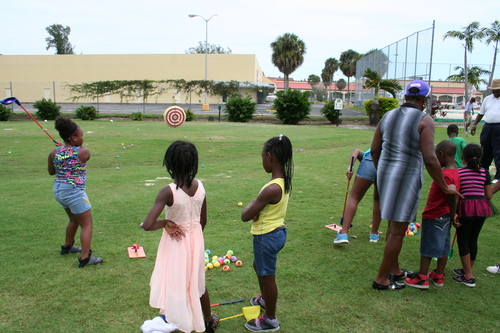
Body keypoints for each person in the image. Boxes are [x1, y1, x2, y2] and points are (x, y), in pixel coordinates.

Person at [370, 80, 460, 290]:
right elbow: (430, 158)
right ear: (425, 99)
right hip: (406, 176)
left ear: (406, 96)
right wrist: (445, 186)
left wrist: (382, 171)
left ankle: (395, 271)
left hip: (385, 174)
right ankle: (381, 279)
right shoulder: (424, 120)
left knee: (393, 225)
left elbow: (375, 150)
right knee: (397, 231)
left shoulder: (387, 116)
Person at [142, 141, 218, 333]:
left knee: (177, 280)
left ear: (170, 164)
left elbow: (148, 224)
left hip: (176, 242)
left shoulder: (168, 191)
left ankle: (179, 318)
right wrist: (194, 237)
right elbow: (203, 220)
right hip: (195, 239)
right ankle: (208, 321)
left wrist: (165, 223)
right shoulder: (200, 186)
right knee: (197, 281)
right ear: (193, 163)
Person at [241, 135, 293, 332]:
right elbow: (266, 209)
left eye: (262, 157)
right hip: (277, 232)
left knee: (267, 275)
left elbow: (245, 215)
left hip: (266, 236)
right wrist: (258, 209)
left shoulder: (270, 188)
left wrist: (252, 206)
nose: (262, 160)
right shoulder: (282, 181)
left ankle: (270, 319)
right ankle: (264, 299)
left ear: (270, 157)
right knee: (259, 266)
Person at [48, 118, 103, 268]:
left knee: (73, 220)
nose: (82, 139)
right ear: (73, 138)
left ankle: (67, 247)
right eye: (80, 136)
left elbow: (51, 171)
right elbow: (82, 155)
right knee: (87, 224)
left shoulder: (54, 153)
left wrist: (61, 150)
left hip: (59, 191)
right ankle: (85, 258)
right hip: (74, 192)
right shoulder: (83, 151)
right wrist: (66, 150)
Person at [404, 140, 459, 289]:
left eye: (436, 156)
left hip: (434, 215)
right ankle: (438, 275)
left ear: (442, 155)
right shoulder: (455, 172)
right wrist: (453, 215)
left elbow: (451, 196)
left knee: (428, 246)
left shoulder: (445, 175)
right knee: (443, 246)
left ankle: (422, 278)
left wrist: (454, 213)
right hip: (446, 215)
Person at [452, 143, 492, 288]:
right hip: (481, 208)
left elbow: (456, 196)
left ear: (463, 157)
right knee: (472, 240)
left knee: (463, 240)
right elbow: (488, 195)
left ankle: (468, 276)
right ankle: (466, 270)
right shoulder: (484, 172)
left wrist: (454, 213)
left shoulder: (459, 172)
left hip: (466, 208)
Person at [334, 148, 381, 244]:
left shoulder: (368, 153)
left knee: (354, 198)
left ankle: (343, 234)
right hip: (387, 163)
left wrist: (350, 168)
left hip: (370, 160)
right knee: (378, 199)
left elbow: (355, 151)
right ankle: (374, 235)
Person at [470, 79, 500, 182]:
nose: (495, 92)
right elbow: (481, 113)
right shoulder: (488, 99)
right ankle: (484, 173)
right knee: (485, 150)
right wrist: (474, 124)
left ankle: (498, 176)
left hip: (499, 127)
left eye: (497, 90)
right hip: (488, 127)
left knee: (498, 151)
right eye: (494, 90)